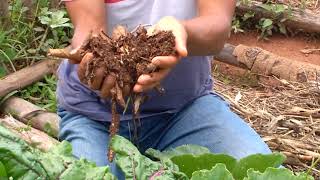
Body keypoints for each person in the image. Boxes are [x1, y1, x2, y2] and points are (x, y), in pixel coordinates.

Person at [57, 0, 271, 178]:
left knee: (260, 171)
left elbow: (217, 28)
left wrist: (180, 31)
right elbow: (89, 29)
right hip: (97, 118)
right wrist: (93, 57)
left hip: (184, 111)